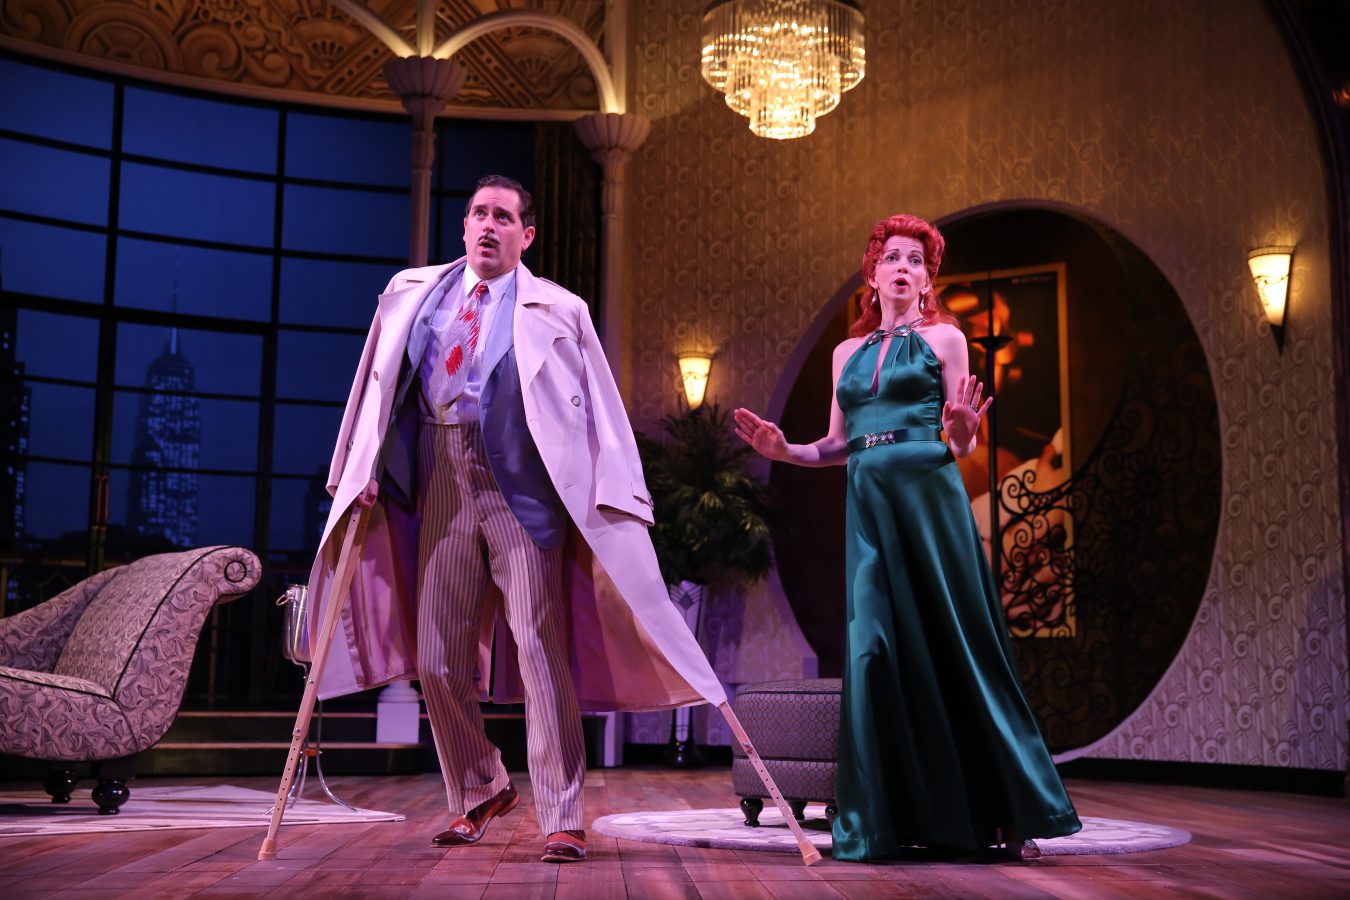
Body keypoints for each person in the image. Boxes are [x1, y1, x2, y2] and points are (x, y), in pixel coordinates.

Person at [304, 174, 730, 864]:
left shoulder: (560, 308)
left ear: (526, 235)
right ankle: (480, 787)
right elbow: (377, 390)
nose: (488, 225)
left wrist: (615, 490)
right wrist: (360, 466)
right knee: (437, 657)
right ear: (464, 225)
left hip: (523, 486)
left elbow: (598, 406)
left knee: (538, 647)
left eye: (503, 217)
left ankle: (562, 814)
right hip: (442, 474)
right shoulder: (414, 293)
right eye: (479, 213)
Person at [733, 214, 1081, 861]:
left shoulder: (945, 338)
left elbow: (962, 440)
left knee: (956, 644)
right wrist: (786, 452)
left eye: (915, 260)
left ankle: (1010, 813)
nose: (903, 267)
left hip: (929, 495)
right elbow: (837, 444)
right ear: (873, 273)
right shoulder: (845, 354)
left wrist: (965, 427)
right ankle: (879, 819)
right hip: (869, 505)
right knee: (871, 651)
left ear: (927, 280)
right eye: (892, 256)